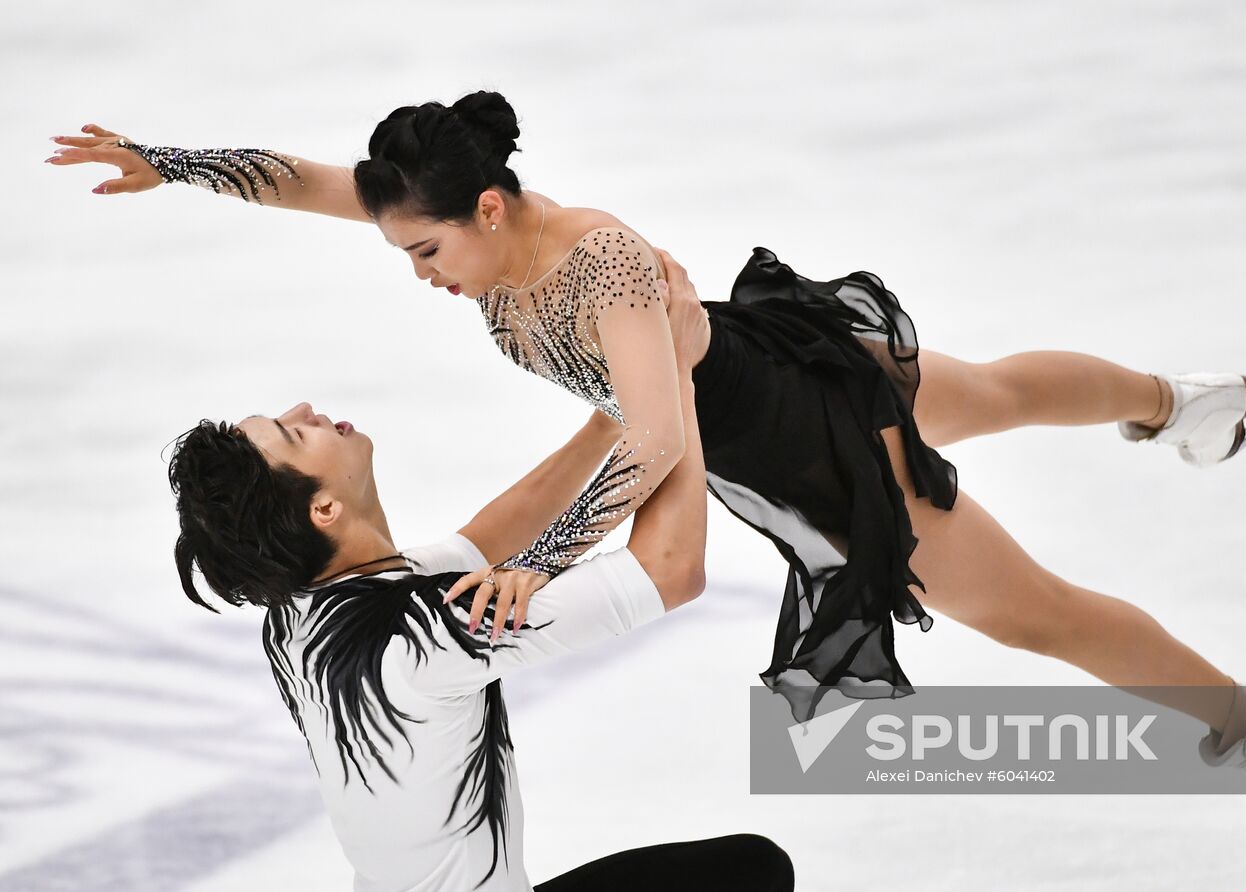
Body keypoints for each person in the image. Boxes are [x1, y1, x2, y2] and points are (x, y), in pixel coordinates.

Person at [50, 92, 1246, 859]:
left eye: (427, 251)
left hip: (798, 450)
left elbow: (661, 444)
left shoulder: (605, 269)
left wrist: (536, 564)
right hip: (784, 351)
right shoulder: (462, 211)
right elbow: (314, 183)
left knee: (1039, 612)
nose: (419, 276)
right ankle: (1187, 406)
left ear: (490, 213)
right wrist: (170, 164)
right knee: (1001, 387)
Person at [163, 255, 795, 891]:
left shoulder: (305, 614)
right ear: (322, 509)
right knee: (750, 872)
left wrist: (618, 414)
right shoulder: (424, 635)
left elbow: (488, 538)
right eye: (292, 435)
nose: (304, 408)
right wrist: (673, 379)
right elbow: (671, 570)